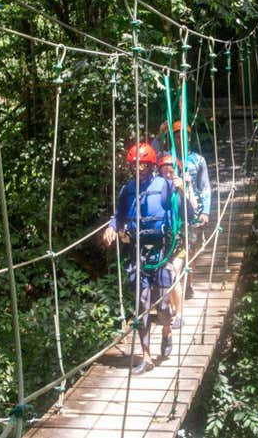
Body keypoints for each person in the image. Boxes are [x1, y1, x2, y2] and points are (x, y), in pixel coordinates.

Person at [102, 142, 179, 374]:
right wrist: (112, 227)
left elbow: (180, 209)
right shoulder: (127, 190)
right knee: (142, 303)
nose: (140, 169)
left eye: (144, 165)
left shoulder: (165, 186)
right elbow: (120, 215)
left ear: (152, 165)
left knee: (164, 307)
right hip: (137, 252)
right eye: (136, 165)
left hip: (161, 252)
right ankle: (145, 355)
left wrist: (181, 188)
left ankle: (167, 331)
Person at [153, 120, 212, 299]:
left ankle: (188, 284)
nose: (180, 140)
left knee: (191, 249)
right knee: (173, 249)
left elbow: (205, 187)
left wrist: (206, 211)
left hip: (192, 211)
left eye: (183, 136)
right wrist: (159, 134)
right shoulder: (166, 157)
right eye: (177, 136)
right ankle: (174, 287)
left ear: (189, 138)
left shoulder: (198, 160)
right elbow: (151, 156)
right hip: (171, 211)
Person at [157, 154, 197, 329]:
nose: (167, 174)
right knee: (167, 279)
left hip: (179, 241)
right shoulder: (157, 190)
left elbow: (190, 213)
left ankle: (179, 314)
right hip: (162, 243)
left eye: (171, 171)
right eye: (164, 171)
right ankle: (174, 308)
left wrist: (182, 189)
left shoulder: (182, 188)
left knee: (173, 276)